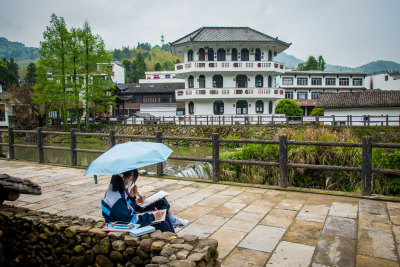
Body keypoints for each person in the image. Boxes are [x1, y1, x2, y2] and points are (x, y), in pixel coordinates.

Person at [122, 169, 189, 228]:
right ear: (124, 177)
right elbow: (127, 212)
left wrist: (134, 198)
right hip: (135, 215)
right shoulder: (117, 195)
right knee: (164, 221)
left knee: (161, 200)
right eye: (131, 179)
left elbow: (127, 204)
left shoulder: (123, 188)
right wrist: (152, 217)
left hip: (134, 210)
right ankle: (172, 222)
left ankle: (173, 220)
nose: (131, 182)